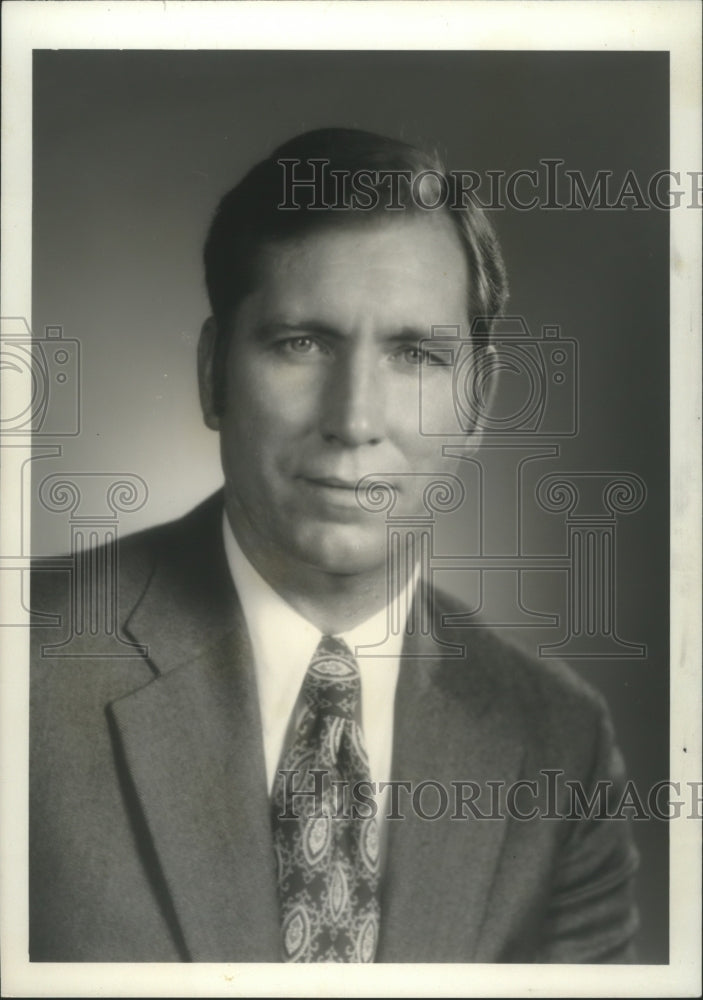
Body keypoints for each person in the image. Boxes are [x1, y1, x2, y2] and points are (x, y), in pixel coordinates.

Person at [29, 127, 639, 963]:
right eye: (301, 343)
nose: (352, 421)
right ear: (213, 375)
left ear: (480, 400)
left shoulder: (558, 745)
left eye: (415, 354)